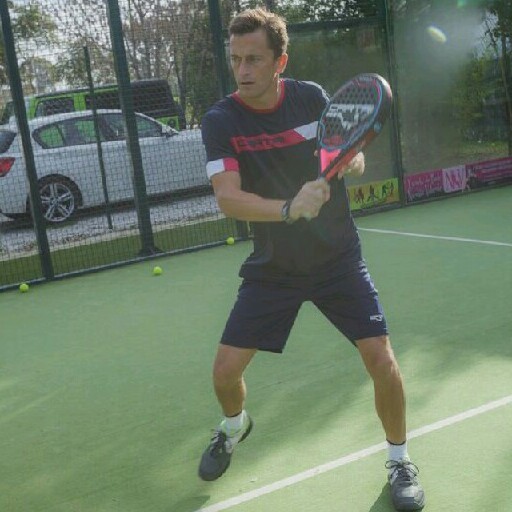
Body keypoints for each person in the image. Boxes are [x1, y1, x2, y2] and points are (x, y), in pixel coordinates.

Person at [198, 7, 425, 511]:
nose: (242, 71)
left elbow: (349, 150)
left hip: (337, 259)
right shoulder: (221, 121)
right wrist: (288, 207)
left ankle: (399, 460)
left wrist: (351, 159)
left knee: (382, 359)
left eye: (254, 59)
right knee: (224, 373)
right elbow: (228, 198)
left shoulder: (312, 99)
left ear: (280, 61)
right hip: (274, 269)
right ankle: (234, 425)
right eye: (235, 59)